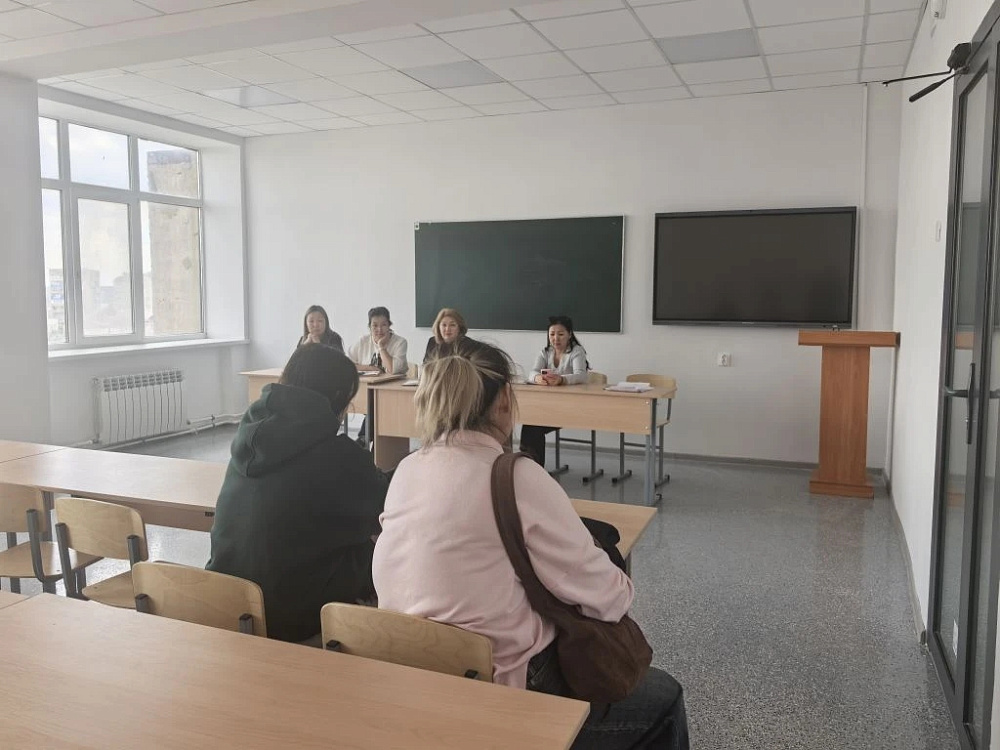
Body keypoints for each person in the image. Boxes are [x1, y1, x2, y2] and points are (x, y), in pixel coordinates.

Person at [372, 340, 688, 750]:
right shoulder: (516, 476)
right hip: (496, 693)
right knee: (664, 697)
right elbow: (610, 599)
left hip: (409, 677)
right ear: (505, 399)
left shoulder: (406, 469)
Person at [207, 344, 389, 643]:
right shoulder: (338, 455)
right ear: (337, 398)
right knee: (387, 548)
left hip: (224, 601)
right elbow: (384, 506)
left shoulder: (248, 438)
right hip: (292, 617)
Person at [519, 315, 589, 467]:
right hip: (548, 406)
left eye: (561, 334)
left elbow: (581, 376)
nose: (555, 338)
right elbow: (532, 372)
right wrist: (537, 378)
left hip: (570, 407)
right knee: (530, 424)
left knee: (534, 427)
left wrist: (562, 380)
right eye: (552, 334)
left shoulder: (576, 351)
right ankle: (529, 467)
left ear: (569, 334)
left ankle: (534, 469)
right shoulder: (545, 352)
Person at [348, 306, 408, 375]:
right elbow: (347, 366)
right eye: (375, 325)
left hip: (395, 382)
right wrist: (371, 368)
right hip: (368, 381)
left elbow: (392, 369)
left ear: (389, 326)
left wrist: (381, 347)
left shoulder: (400, 342)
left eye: (383, 325)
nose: (379, 329)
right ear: (370, 327)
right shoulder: (363, 342)